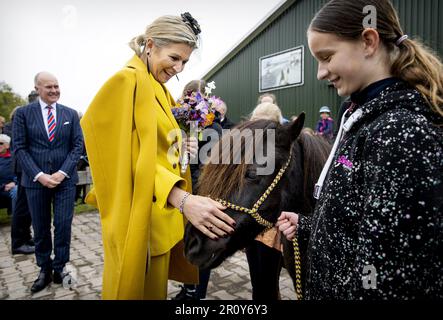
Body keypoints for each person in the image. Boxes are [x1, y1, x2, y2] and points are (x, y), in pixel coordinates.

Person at [277, 0, 443, 299]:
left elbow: (390, 276)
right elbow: (360, 221)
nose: (320, 73)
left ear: (368, 41)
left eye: (326, 57)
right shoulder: (360, 115)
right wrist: (309, 226)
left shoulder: (400, 133)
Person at [80, 13, 236, 300]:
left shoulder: (160, 89)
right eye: (174, 58)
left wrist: (180, 145)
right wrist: (182, 198)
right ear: (150, 45)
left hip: (159, 218)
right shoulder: (125, 81)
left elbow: (154, 147)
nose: (178, 68)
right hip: (136, 218)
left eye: (185, 62)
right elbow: (120, 156)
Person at [13, 72, 84, 293]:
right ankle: (44, 268)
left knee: (63, 226)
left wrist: (62, 173)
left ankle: (59, 266)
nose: (54, 90)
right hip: (36, 182)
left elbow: (77, 146)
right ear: (37, 89)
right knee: (41, 227)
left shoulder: (70, 114)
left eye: (56, 86)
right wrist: (40, 175)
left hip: (65, 181)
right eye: (48, 87)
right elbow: (19, 148)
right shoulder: (23, 114)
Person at [172, 79, 224, 301]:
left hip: (202, 191)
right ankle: (188, 287)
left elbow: (212, 164)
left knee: (200, 244)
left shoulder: (213, 128)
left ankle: (197, 294)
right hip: (180, 189)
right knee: (185, 244)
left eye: (198, 98)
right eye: (190, 97)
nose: (193, 101)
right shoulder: (178, 124)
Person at [8, 91, 40, 255]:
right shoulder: (24, 114)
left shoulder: (25, 113)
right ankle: (18, 242)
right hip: (24, 166)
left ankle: (26, 237)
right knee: (22, 205)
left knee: (27, 206)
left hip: (26, 166)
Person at [0, 134, 17, 216]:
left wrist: (15, 182)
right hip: (1, 188)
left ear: (7, 145)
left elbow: (20, 173)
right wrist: (3, 186)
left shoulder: (15, 158)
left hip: (11, 188)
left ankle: (16, 221)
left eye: (1, 143)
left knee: (16, 190)